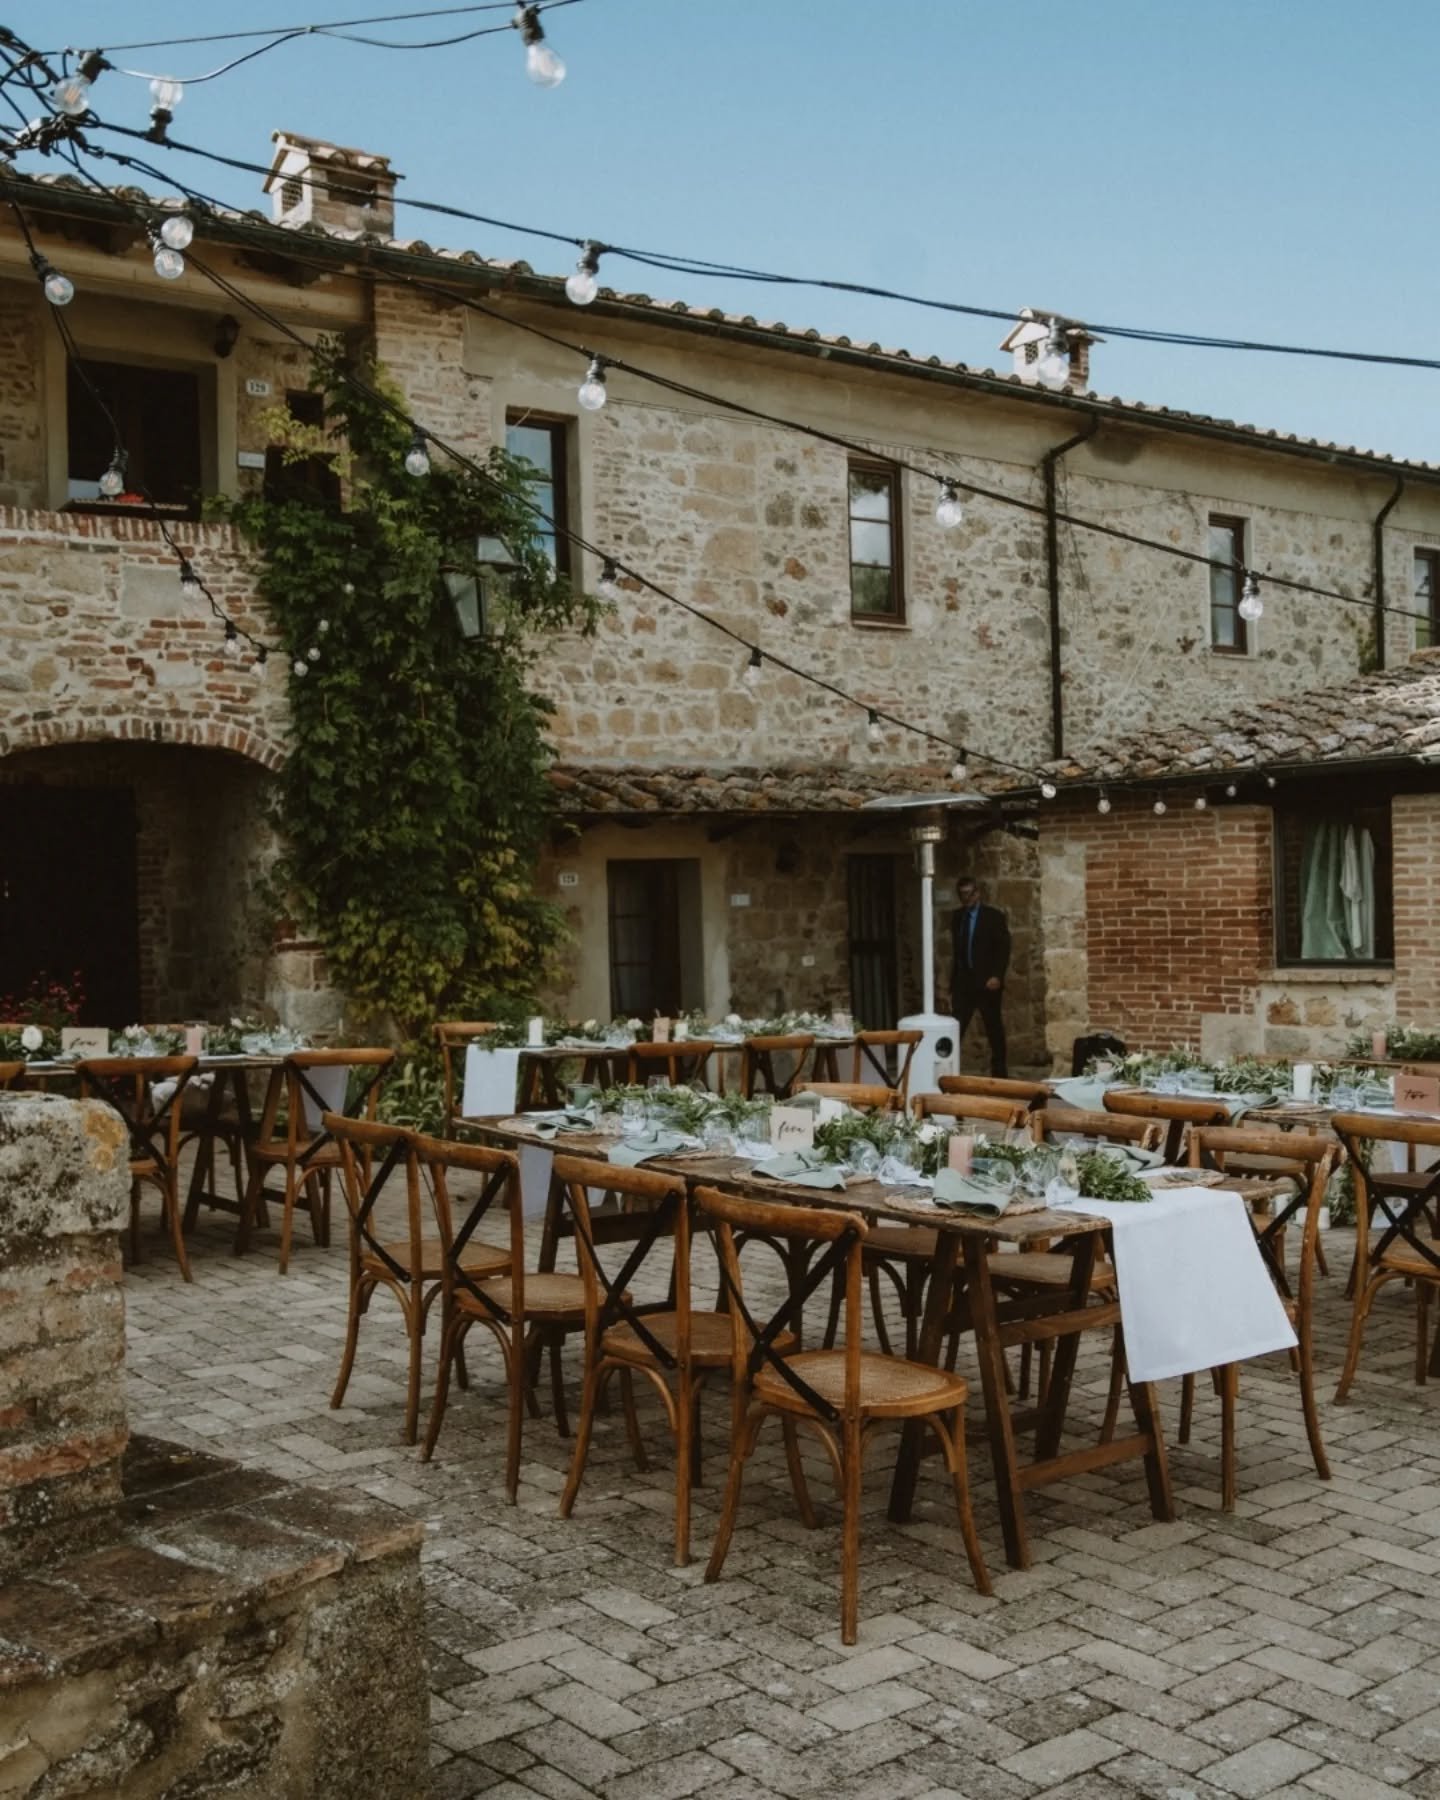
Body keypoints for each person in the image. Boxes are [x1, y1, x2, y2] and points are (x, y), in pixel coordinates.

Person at [950, 875, 1010, 1077]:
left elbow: (1003, 949)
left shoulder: (993, 917)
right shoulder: (958, 918)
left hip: (987, 982)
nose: (966, 898)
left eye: (969, 894)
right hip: (964, 983)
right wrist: (952, 983)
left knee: (993, 1027)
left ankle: (1000, 1073)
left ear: (977, 893)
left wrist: (997, 975)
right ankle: (949, 1069)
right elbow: (957, 952)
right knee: (956, 1027)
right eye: (962, 895)